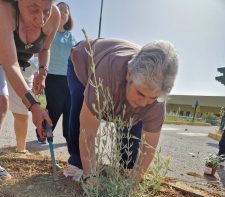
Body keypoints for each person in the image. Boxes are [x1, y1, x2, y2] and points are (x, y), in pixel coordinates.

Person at [65, 38, 179, 183]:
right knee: (80, 107)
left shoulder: (157, 100)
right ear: (129, 75)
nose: (144, 103)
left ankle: (126, 169)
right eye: (141, 93)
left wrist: (133, 182)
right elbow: (87, 133)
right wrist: (90, 177)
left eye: (152, 97)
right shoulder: (107, 74)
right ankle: (76, 163)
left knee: (134, 121)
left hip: (116, 75)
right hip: (84, 61)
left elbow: (148, 148)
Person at [0, 0, 60, 179]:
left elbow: (46, 49)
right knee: (2, 103)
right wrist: (34, 106)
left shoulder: (55, 15)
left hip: (22, 65)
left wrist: (43, 70)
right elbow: (9, 64)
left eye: (46, 11)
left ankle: (21, 148)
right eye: (34, 9)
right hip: (5, 60)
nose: (41, 19)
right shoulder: (4, 10)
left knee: (22, 114)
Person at [37, 1, 76, 144]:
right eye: (60, 10)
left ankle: (69, 136)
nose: (63, 13)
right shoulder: (49, 31)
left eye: (66, 11)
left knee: (70, 108)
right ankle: (43, 133)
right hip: (52, 76)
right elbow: (41, 50)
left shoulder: (71, 36)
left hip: (70, 78)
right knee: (54, 108)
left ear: (68, 16)